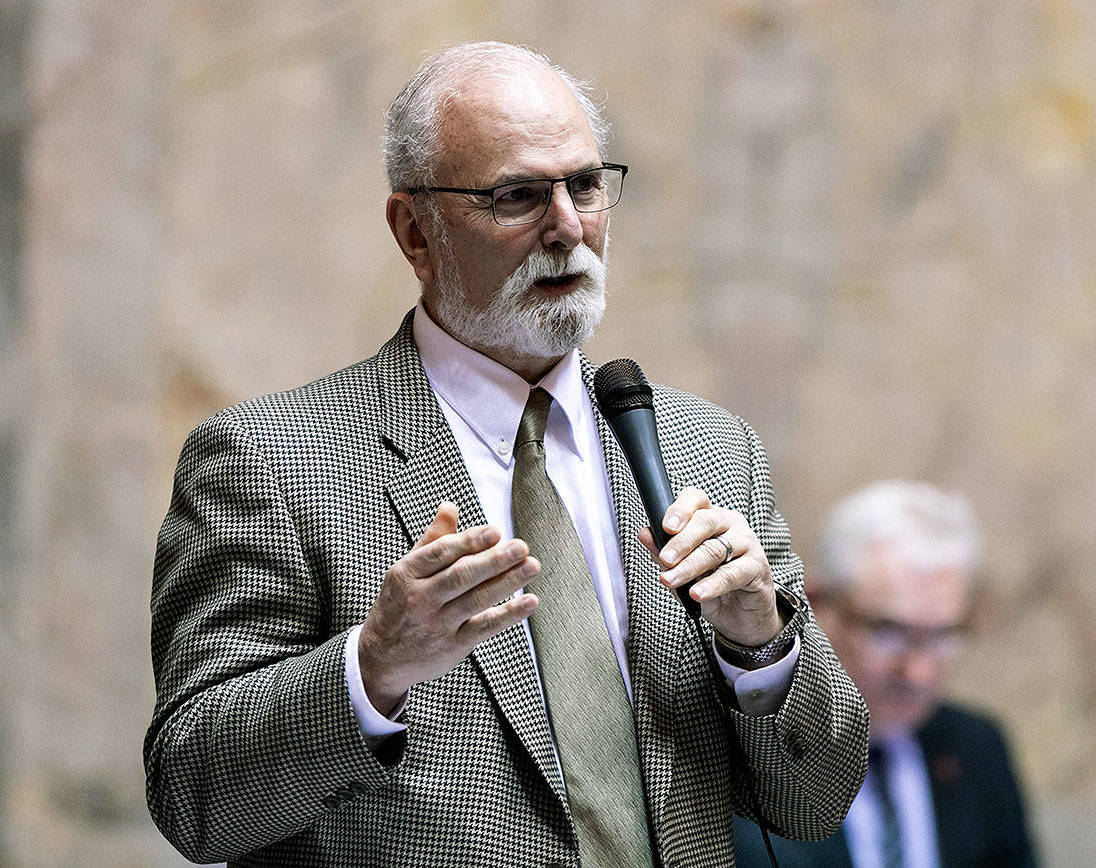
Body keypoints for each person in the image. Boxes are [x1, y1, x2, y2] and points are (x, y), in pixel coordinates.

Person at [145, 41, 867, 867]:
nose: (568, 226)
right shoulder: (269, 461)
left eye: (586, 185)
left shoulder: (708, 447)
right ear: (415, 231)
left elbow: (817, 799)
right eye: (517, 196)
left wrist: (760, 646)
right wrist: (370, 668)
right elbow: (192, 795)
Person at [734, 480, 1037, 867]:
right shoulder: (752, 754)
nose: (918, 673)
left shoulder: (976, 747)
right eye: (890, 633)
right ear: (815, 605)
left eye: (942, 636)